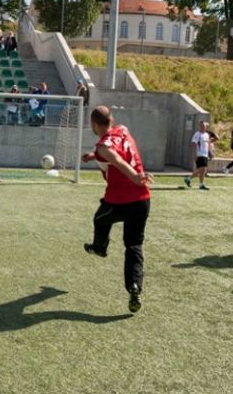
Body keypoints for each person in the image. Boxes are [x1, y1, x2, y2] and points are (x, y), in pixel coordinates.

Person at [81, 105, 153, 313]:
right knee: (134, 246)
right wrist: (93, 156)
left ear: (94, 124)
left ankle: (100, 247)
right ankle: (134, 287)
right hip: (142, 200)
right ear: (111, 119)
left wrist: (133, 176)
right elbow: (117, 152)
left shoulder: (102, 147)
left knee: (99, 218)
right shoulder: (123, 129)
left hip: (120, 201)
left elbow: (117, 159)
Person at [184, 121, 211, 190]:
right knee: (202, 169)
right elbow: (194, 144)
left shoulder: (206, 135)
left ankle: (201, 184)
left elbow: (207, 144)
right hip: (199, 154)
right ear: (199, 126)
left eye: (204, 126)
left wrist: (209, 152)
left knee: (203, 170)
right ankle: (188, 178)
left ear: (206, 127)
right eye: (201, 126)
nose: (202, 127)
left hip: (205, 154)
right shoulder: (197, 134)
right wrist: (195, 154)